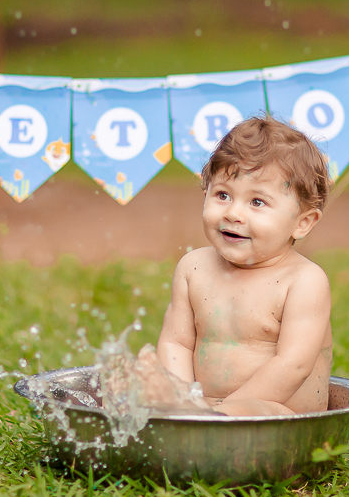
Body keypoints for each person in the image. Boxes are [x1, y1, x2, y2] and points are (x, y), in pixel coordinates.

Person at [138, 116, 333, 417]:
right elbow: (176, 343)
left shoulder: (303, 281)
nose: (233, 213)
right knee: (131, 382)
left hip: (277, 412)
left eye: (257, 202)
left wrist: (223, 412)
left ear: (303, 222)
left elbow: (293, 365)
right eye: (223, 195)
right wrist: (180, 398)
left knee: (262, 412)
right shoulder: (194, 268)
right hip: (204, 408)